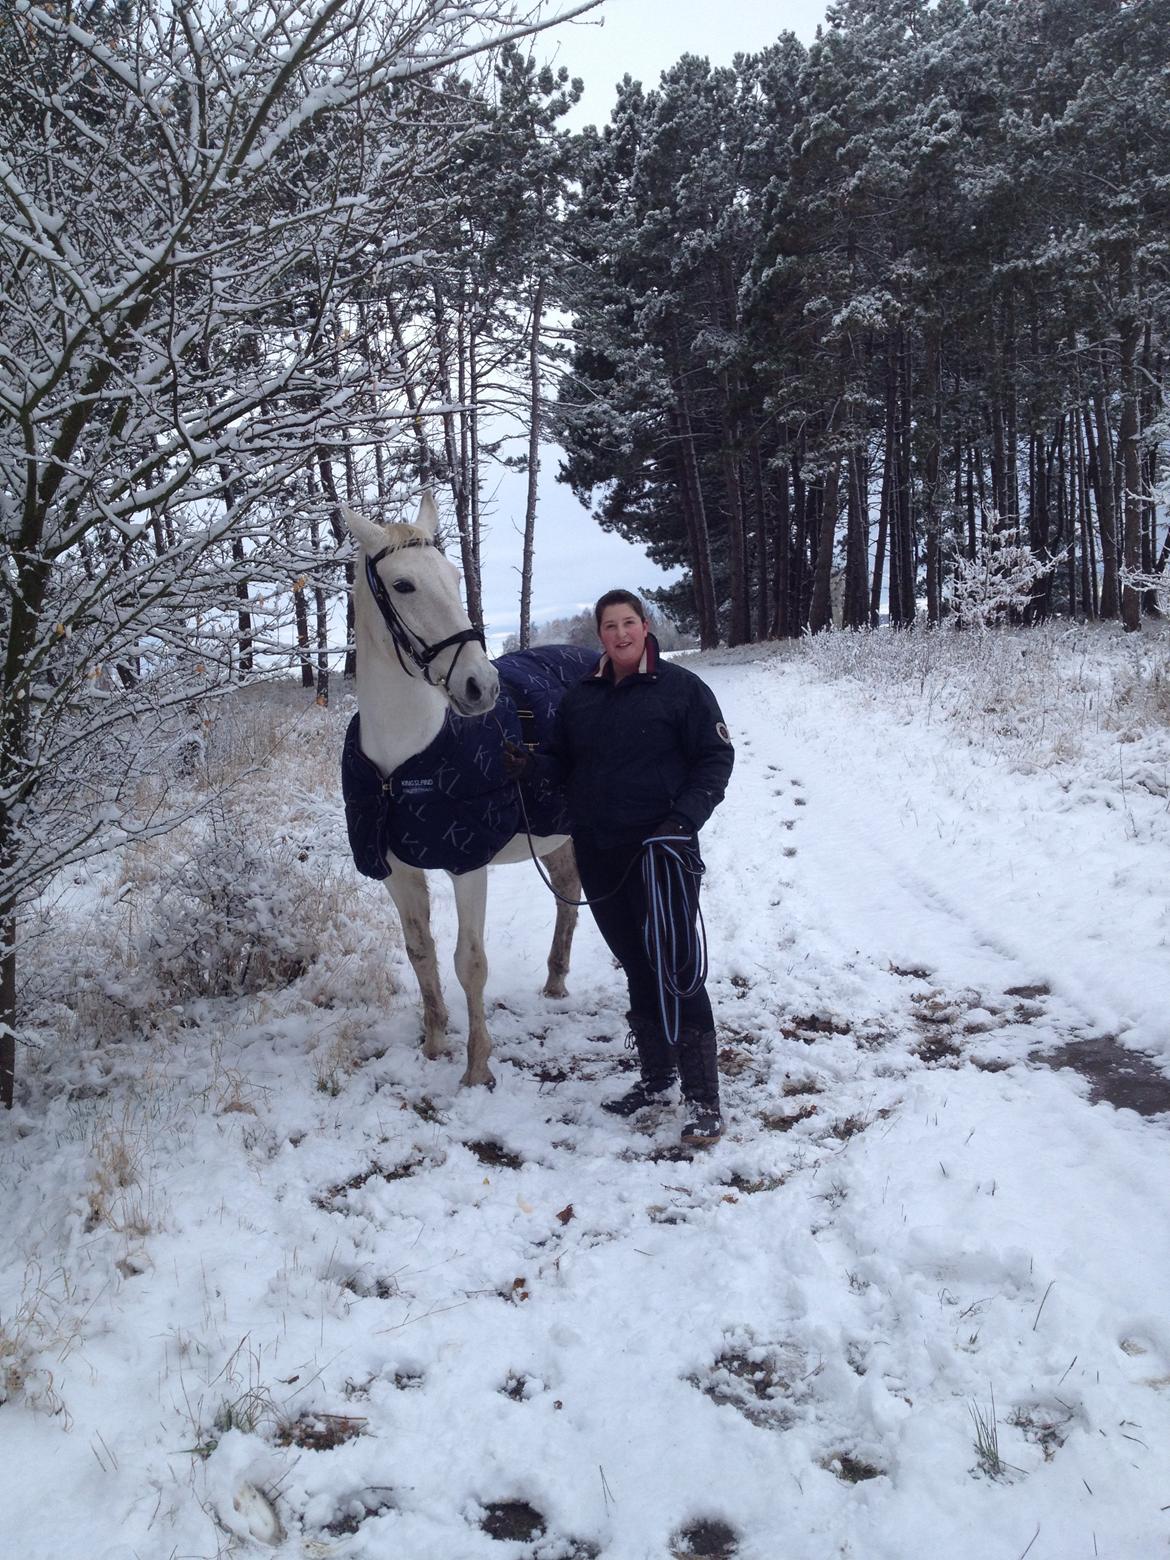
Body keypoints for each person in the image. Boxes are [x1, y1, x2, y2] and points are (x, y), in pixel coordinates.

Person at [507, 591, 734, 1147]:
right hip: (601, 851)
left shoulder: (681, 690)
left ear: (645, 625)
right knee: (635, 964)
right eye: (610, 626)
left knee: (677, 967)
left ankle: (703, 1098)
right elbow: (564, 762)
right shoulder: (582, 697)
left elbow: (715, 757)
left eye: (629, 623)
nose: (621, 634)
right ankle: (656, 1080)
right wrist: (530, 763)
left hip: (663, 851)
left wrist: (685, 818)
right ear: (600, 634)